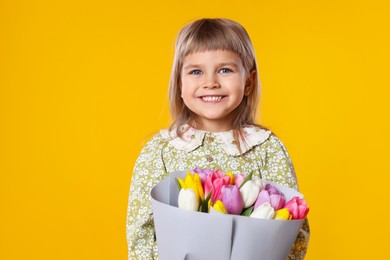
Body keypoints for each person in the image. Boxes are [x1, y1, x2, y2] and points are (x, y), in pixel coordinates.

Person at [126, 18, 310, 259]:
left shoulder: (268, 149)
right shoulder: (159, 151)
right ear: (180, 84)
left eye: (225, 70)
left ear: (248, 82)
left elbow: (294, 229)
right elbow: (141, 231)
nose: (210, 83)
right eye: (196, 71)